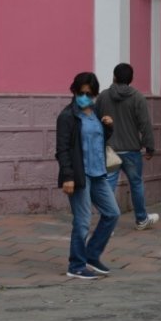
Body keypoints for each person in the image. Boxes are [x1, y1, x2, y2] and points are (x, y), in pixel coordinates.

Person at [56, 71, 119, 280]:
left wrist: (108, 127)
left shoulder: (96, 112)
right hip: (80, 176)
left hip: (99, 173)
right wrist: (68, 177)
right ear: (74, 91)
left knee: (112, 213)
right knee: (83, 221)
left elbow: (99, 139)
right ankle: (76, 265)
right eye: (81, 93)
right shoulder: (67, 116)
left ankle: (91, 255)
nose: (85, 97)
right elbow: (62, 150)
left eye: (89, 94)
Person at [97, 63, 159, 231]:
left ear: (114, 77)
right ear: (131, 79)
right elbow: (145, 124)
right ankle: (141, 219)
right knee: (136, 184)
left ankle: (106, 225)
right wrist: (149, 147)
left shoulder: (103, 97)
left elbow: (96, 122)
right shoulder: (137, 97)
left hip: (110, 150)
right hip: (131, 150)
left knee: (108, 186)